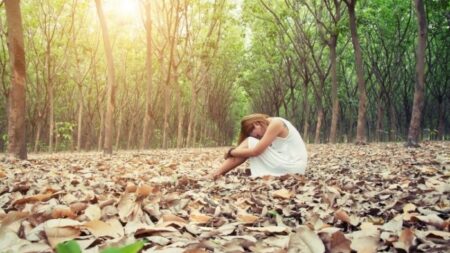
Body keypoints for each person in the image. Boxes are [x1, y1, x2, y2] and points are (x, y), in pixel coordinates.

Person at [210, 113, 307, 179]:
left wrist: (231, 152)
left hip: (293, 167)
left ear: (257, 124)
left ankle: (218, 172)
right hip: (293, 166)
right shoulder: (273, 123)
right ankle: (218, 172)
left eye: (257, 136)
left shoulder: (276, 123)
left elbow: (256, 151)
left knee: (249, 142)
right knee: (249, 143)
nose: (259, 138)